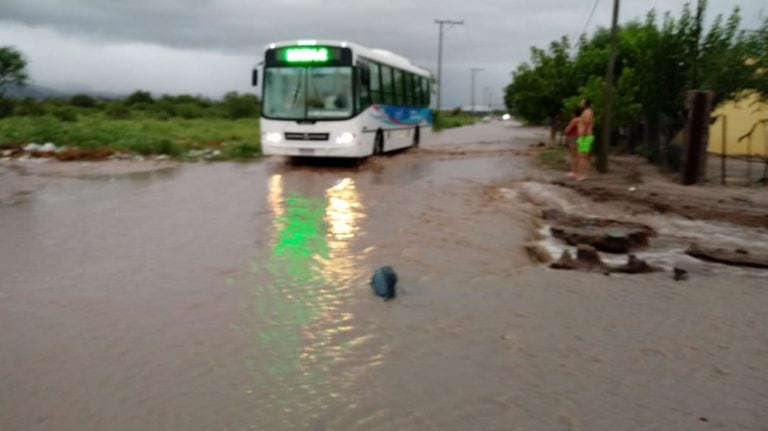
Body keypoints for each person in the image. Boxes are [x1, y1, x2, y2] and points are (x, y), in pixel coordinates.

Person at [576, 99, 594, 181]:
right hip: (584, 137)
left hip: (585, 137)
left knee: (583, 157)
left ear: (585, 104)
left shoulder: (587, 112)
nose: (580, 103)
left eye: (581, 102)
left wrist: (583, 135)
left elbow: (586, 123)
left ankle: (584, 175)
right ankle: (582, 174)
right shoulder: (585, 112)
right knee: (581, 157)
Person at [563, 108, 582, 178]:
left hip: (573, 137)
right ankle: (578, 171)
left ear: (574, 114)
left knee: (573, 155)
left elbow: (568, 129)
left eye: (572, 113)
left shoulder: (574, 120)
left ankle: (573, 171)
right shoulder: (582, 119)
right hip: (579, 137)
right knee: (578, 155)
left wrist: (565, 131)